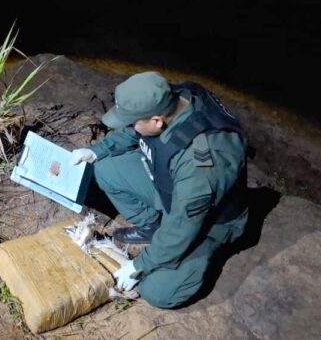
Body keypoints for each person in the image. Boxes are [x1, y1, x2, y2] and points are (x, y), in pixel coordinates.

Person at [70, 71, 248, 309]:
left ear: (157, 121)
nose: (131, 126)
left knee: (157, 291)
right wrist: (97, 151)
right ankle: (154, 226)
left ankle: (208, 252)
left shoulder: (202, 162)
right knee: (104, 166)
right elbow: (132, 131)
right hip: (176, 192)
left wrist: (139, 265)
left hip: (211, 222)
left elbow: (183, 227)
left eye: (134, 121)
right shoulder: (174, 97)